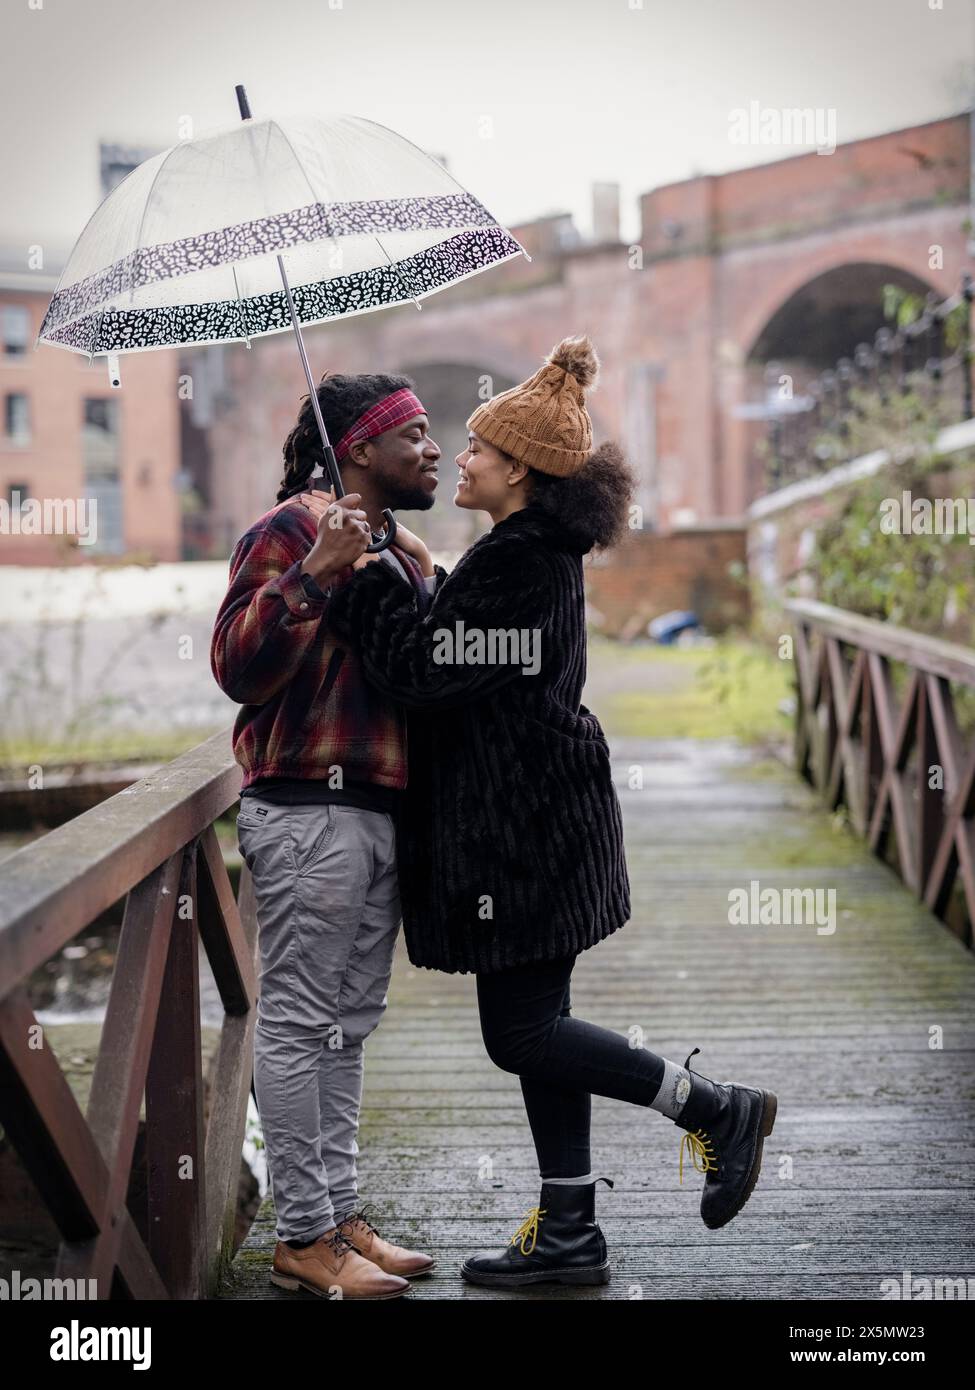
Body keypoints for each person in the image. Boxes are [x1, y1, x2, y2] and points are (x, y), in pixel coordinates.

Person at [312, 336, 778, 1289]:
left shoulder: (518, 562)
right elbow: (474, 650)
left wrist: (355, 579)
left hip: (520, 832)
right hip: (537, 823)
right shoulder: (521, 554)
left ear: (519, 470)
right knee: (540, 1027)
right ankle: (569, 1232)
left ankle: (712, 1107)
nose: (462, 457)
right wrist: (419, 569)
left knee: (520, 1034)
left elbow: (424, 669)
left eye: (480, 448)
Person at [210, 372, 445, 1300]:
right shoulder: (291, 531)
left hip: (380, 808)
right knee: (303, 1020)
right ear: (357, 450)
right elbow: (235, 666)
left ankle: (339, 1216)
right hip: (307, 807)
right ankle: (303, 1235)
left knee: (349, 1026)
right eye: (414, 434)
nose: (433, 448)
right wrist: (313, 575)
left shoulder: (403, 546)